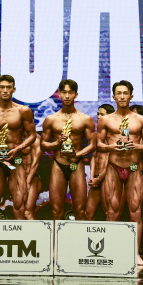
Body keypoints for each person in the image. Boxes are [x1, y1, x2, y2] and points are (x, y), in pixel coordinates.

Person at [97, 80, 143, 267]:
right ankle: (112, 252)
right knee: (112, 212)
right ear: (113, 97)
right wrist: (111, 146)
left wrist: (136, 146)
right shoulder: (106, 120)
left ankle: (135, 254)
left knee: (135, 211)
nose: (122, 97)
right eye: (118, 93)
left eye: (125, 93)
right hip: (113, 166)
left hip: (134, 167)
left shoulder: (141, 120)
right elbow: (98, 144)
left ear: (131, 96)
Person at [0, 75, 37, 220]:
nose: (5, 90)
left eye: (8, 87)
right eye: (2, 87)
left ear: (14, 89)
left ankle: (22, 234)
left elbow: (32, 135)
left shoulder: (23, 111)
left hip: (16, 159)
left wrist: (19, 148)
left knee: (19, 203)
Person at [41, 79, 95, 221]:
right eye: (64, 92)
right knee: (56, 211)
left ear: (76, 95)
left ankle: (78, 236)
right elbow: (43, 144)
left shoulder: (85, 119)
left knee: (80, 211)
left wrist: (78, 153)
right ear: (59, 94)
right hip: (58, 163)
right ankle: (56, 237)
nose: (67, 96)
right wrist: (57, 143)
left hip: (76, 164)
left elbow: (92, 144)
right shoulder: (51, 119)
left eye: (70, 92)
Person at [85, 104, 115, 220]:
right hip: (96, 178)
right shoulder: (96, 135)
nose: (98, 116)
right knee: (88, 213)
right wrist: (92, 176)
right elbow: (94, 157)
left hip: (108, 177)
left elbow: (112, 160)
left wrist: (100, 177)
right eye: (98, 114)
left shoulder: (114, 136)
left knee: (109, 212)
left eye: (102, 114)